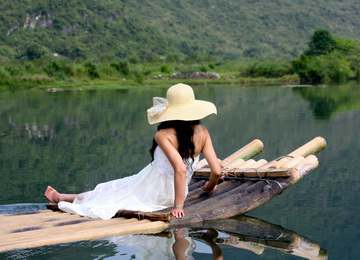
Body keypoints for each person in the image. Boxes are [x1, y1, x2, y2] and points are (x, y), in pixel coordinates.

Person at [44, 83, 222, 219]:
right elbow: (216, 170)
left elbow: (180, 169)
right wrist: (209, 186)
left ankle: (61, 197)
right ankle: (62, 196)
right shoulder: (203, 133)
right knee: (112, 190)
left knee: (110, 192)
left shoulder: (163, 134)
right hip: (175, 192)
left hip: (154, 191)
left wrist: (178, 207)